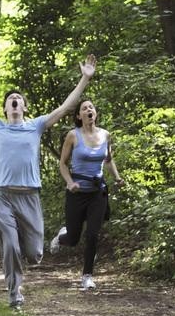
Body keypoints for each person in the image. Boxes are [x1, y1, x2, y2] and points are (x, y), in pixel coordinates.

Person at [0, 56, 96, 308]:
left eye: (19, 100)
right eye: (10, 101)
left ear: (23, 108)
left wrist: (85, 78)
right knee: (10, 246)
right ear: (5, 109)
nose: (14, 102)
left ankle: (32, 252)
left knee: (34, 255)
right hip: (3, 198)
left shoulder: (35, 126)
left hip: (29, 198)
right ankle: (14, 293)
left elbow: (65, 108)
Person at [50, 99, 124, 290]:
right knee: (73, 239)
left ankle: (87, 276)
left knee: (92, 234)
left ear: (95, 113)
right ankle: (61, 237)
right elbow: (63, 164)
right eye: (84, 108)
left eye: (91, 107)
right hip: (76, 193)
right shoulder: (73, 136)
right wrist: (69, 183)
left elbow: (108, 160)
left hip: (97, 193)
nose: (89, 110)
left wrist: (117, 178)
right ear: (78, 116)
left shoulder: (106, 135)